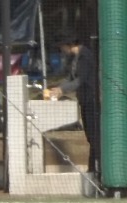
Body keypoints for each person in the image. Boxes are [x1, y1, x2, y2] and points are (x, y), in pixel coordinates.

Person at [48, 34, 100, 179]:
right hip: (85, 100)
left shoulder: (85, 56)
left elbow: (80, 80)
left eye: (62, 46)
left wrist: (62, 90)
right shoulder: (76, 58)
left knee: (95, 137)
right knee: (91, 137)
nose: (61, 50)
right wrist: (58, 87)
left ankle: (96, 169)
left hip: (92, 101)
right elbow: (71, 78)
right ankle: (93, 169)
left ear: (69, 44)